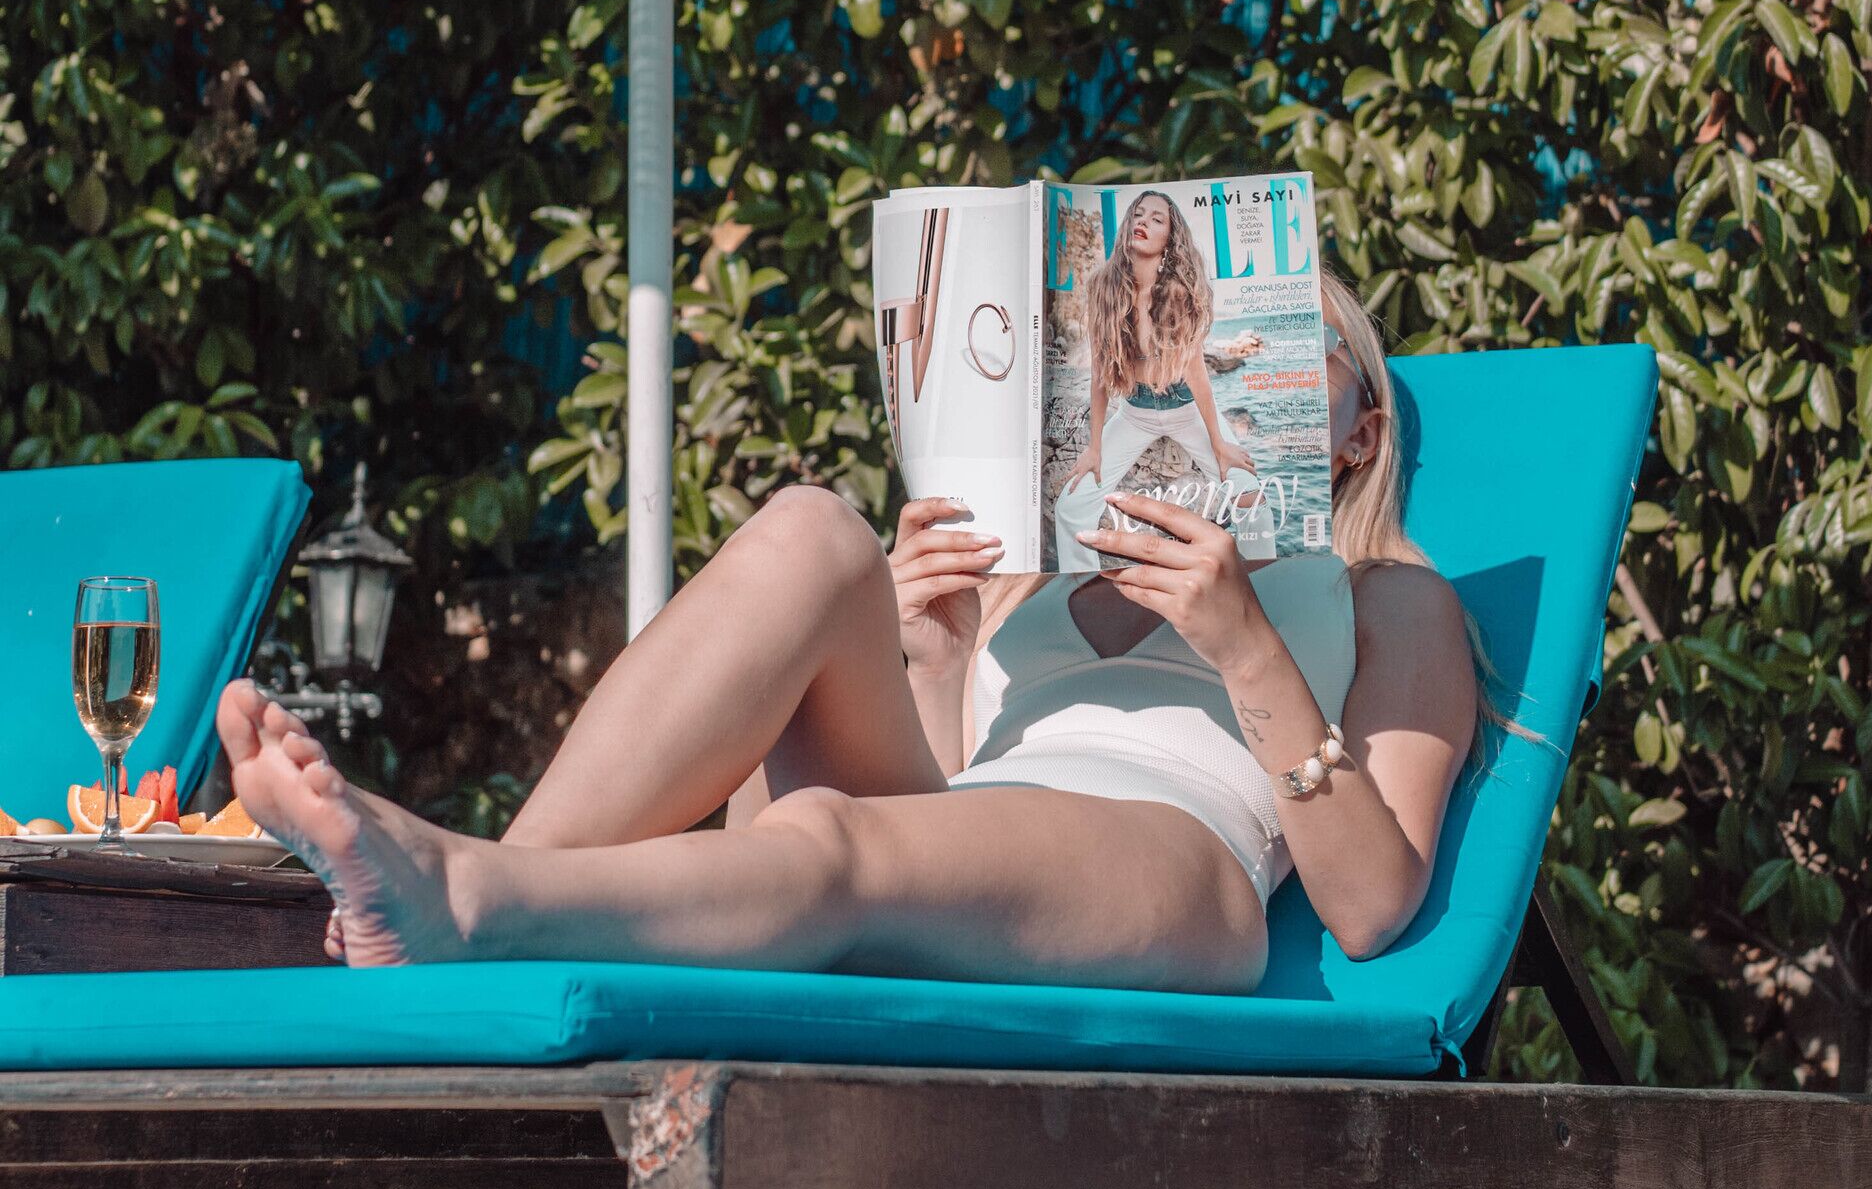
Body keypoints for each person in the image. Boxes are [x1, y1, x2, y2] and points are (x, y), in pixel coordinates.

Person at [217, 271, 1479, 995]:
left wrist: (1246, 641)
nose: (1238, 373)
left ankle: (469, 900)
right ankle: (485, 908)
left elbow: (1370, 907)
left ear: (1359, 429)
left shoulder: (1383, 596)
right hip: (973, 832)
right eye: (1217, 348)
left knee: (834, 836)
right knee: (816, 529)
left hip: (1176, 866)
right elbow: (958, 781)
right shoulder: (1039, 570)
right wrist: (927, 648)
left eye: (1290, 352)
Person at [1062, 187, 1257, 523]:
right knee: (1070, 507)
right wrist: (1093, 447)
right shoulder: (1104, 285)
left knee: (1250, 498)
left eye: (1156, 219)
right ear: (1127, 225)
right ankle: (1085, 575)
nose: (1143, 222)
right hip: (1134, 412)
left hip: (1185, 408)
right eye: (1138, 215)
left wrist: (1219, 442)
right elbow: (1100, 372)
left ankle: (1256, 574)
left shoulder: (1177, 292)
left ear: (1169, 238)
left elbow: (1196, 373)